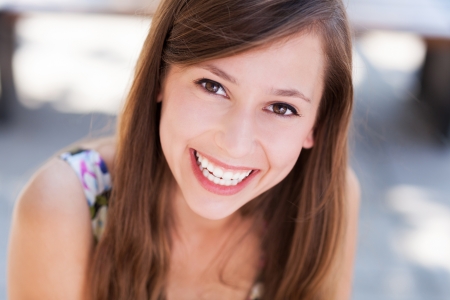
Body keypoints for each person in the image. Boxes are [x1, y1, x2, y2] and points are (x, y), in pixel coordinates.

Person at [7, 0, 360, 299]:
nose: (235, 144)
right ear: (161, 75)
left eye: (282, 108)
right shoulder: (66, 205)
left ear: (316, 124)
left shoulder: (328, 199)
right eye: (213, 86)